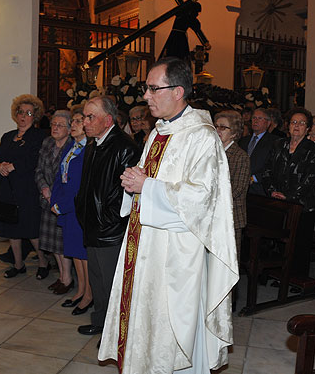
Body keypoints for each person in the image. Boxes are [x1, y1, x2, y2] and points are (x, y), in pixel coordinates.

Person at [99, 57, 238, 373]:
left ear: (177, 91)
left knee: (171, 327)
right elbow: (152, 182)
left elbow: (204, 200)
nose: (145, 96)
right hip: (145, 243)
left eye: (152, 88)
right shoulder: (158, 132)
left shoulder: (202, 136)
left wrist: (147, 185)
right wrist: (135, 182)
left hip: (176, 254)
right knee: (145, 321)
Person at [75, 96, 140, 336]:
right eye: (84, 116)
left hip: (111, 229)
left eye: (90, 117)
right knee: (97, 279)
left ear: (108, 119)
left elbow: (128, 194)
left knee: (113, 283)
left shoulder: (125, 147)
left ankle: (116, 333)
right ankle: (101, 322)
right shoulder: (93, 143)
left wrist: (109, 219)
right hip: (92, 224)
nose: (85, 122)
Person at [0, 94, 47, 278]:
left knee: (31, 229)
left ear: (35, 116)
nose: (23, 116)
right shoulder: (7, 136)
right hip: (6, 189)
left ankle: (43, 262)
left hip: (26, 189)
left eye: (28, 113)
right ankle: (18, 264)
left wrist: (13, 166)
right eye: (21, 112)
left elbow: (35, 159)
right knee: (11, 229)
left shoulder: (39, 136)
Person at [260, 107, 315, 278]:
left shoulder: (314, 150)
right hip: (279, 201)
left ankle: (297, 278)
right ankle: (280, 275)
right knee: (280, 241)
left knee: (300, 244)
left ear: (308, 128)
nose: (297, 126)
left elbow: (310, 179)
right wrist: (273, 191)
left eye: (302, 123)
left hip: (303, 205)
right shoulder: (278, 144)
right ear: (288, 126)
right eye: (294, 122)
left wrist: (289, 196)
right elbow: (267, 171)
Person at [50, 108, 92, 313]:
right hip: (66, 207)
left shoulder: (88, 149)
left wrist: (63, 205)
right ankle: (81, 290)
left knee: (83, 254)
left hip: (77, 208)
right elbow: (60, 177)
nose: (73, 125)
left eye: (78, 121)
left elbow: (78, 186)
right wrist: (54, 201)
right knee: (75, 252)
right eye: (73, 121)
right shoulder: (72, 147)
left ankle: (89, 294)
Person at [35, 110, 73, 288]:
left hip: (62, 201)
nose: (55, 128)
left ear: (69, 128)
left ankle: (67, 278)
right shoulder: (48, 142)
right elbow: (39, 170)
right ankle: (62, 276)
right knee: (53, 243)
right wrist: (44, 188)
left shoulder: (74, 146)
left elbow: (70, 178)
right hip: (47, 199)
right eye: (53, 124)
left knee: (62, 243)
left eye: (60, 125)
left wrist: (55, 194)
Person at [214, 110, 251, 260]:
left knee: (227, 261)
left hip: (231, 215)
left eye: (223, 127)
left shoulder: (240, 156)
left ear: (234, 133)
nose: (218, 130)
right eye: (216, 126)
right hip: (212, 213)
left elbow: (236, 189)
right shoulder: (212, 152)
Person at [238, 107, 278, 195]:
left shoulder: (274, 142)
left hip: (260, 189)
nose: (255, 121)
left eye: (260, 118)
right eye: (254, 118)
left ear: (268, 123)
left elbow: (274, 167)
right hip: (241, 188)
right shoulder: (243, 140)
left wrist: (253, 178)